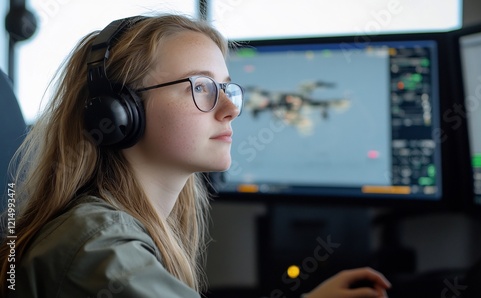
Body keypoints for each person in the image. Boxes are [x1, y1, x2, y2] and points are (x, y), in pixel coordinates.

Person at [0, 14, 391, 297]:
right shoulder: (97, 247)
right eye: (201, 87)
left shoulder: (105, 230)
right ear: (119, 112)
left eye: (226, 87)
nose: (232, 108)